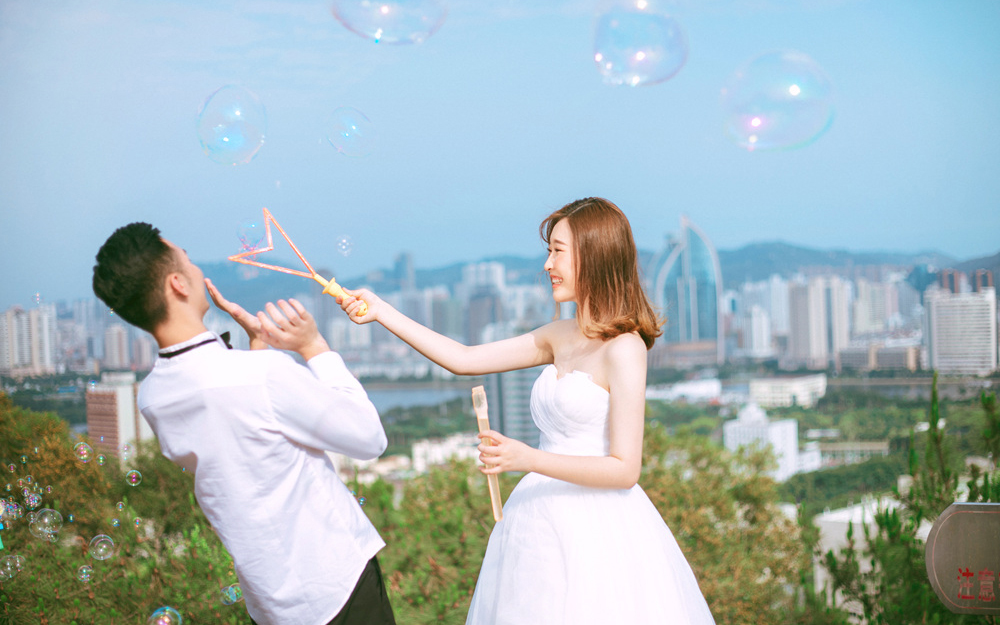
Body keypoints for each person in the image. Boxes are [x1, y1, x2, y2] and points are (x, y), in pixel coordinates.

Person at [338, 197, 716, 624]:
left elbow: (625, 469)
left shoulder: (625, 348)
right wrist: (382, 312)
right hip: (537, 521)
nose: (547, 264)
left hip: (598, 530)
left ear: (594, 255)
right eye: (549, 251)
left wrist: (526, 458)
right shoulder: (559, 334)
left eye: (558, 251)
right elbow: (464, 358)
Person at [92, 222, 396, 625]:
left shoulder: (153, 396)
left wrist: (257, 352)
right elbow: (369, 438)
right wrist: (313, 347)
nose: (198, 269)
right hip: (338, 587)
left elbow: (244, 447)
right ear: (178, 284)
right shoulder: (260, 376)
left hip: (270, 605)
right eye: (188, 260)